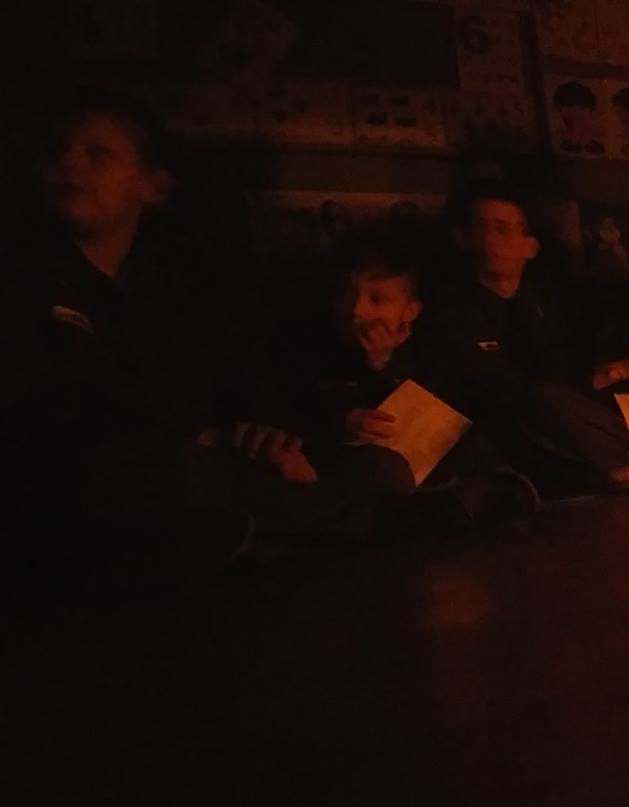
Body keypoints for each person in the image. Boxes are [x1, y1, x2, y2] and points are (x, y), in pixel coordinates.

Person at [5, 90, 368, 584]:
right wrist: (197, 437)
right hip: (84, 483)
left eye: (97, 154)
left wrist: (264, 432)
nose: (70, 164)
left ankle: (266, 530)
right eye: (58, 152)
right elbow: (56, 410)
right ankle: (318, 526)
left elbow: (237, 380)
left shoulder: (180, 290)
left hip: (191, 465)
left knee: (368, 463)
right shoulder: (25, 277)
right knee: (163, 475)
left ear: (151, 186)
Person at [418, 181, 629, 492]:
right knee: (537, 405)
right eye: (480, 227)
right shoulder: (450, 310)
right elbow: (506, 390)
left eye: (503, 229)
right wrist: (614, 371)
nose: (490, 239)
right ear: (462, 238)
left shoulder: (556, 296)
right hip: (513, 430)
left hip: (578, 424)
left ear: (530, 246)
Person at [283, 227, 538, 530]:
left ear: (410, 311)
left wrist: (384, 365)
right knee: (382, 469)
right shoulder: (309, 345)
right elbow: (290, 409)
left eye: (377, 300)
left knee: (476, 446)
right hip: (347, 459)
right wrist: (341, 422)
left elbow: (448, 403)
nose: (357, 310)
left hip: (420, 458)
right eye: (346, 295)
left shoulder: (427, 346)